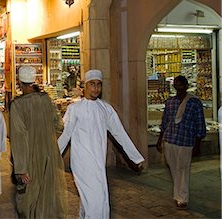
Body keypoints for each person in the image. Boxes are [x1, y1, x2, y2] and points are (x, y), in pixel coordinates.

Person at [58, 69, 144, 219]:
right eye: (92, 84)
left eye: (99, 84)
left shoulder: (106, 109)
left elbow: (120, 133)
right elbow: (65, 135)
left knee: (96, 200)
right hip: (82, 163)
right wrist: (51, 157)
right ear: (85, 86)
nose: (96, 88)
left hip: (98, 161)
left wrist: (135, 157)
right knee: (96, 202)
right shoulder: (75, 109)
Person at [10, 65, 67, 218]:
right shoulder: (46, 99)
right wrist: (46, 139)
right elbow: (59, 125)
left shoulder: (17, 105)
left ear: (19, 82)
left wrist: (21, 169)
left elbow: (19, 138)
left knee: (28, 200)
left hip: (29, 160)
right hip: (48, 156)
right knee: (47, 198)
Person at [156, 75, 206, 209]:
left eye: (182, 84)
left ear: (186, 85)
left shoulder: (194, 103)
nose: (179, 87)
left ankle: (182, 198)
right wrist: (160, 139)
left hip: (186, 141)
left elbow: (200, 123)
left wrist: (198, 143)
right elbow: (165, 121)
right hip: (170, 140)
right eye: (177, 84)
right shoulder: (170, 102)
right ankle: (177, 194)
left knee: (183, 169)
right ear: (174, 86)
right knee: (174, 168)